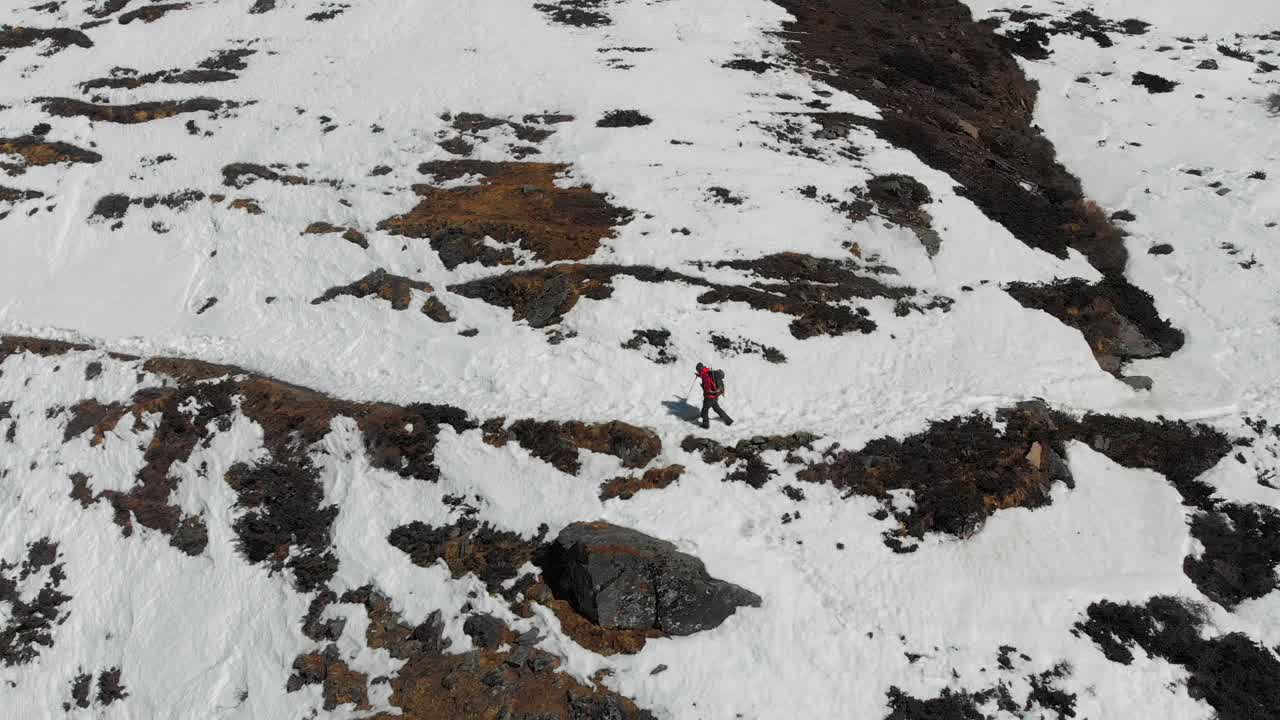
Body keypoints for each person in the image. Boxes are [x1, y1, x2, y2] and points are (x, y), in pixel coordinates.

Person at [695, 363, 733, 429]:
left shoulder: (704, 375)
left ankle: (705, 425)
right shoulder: (707, 371)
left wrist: (707, 392)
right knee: (717, 409)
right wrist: (699, 375)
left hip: (709, 396)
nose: (698, 371)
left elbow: (707, 384)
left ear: (699, 369)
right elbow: (707, 377)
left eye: (698, 370)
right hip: (715, 395)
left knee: (705, 409)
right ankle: (728, 421)